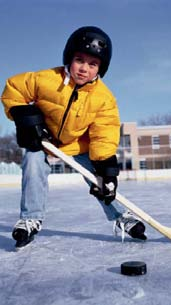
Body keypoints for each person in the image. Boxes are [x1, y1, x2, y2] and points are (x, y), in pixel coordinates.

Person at [1, 26, 146, 248]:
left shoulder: (104, 99)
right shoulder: (46, 79)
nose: (84, 69)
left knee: (100, 181)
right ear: (69, 57)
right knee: (32, 161)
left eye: (93, 64)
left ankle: (121, 216)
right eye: (79, 60)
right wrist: (24, 115)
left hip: (79, 144)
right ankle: (30, 218)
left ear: (101, 68)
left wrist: (106, 168)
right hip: (44, 140)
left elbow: (104, 133)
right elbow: (14, 88)